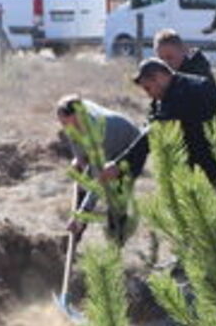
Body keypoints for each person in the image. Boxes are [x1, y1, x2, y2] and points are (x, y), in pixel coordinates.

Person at [56, 96, 148, 244]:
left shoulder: (99, 133)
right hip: (104, 147)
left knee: (116, 197)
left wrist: (84, 212)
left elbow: (99, 181)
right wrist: (79, 158)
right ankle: (74, 237)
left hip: (130, 147)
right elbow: (73, 138)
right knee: (82, 185)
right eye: (62, 123)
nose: (65, 128)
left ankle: (115, 246)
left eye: (67, 123)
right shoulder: (74, 115)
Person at [132, 57, 216, 187]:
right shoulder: (166, 95)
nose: (148, 94)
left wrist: (120, 164)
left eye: (148, 88)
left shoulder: (186, 91)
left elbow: (155, 129)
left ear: (159, 77)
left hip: (213, 161)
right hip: (193, 165)